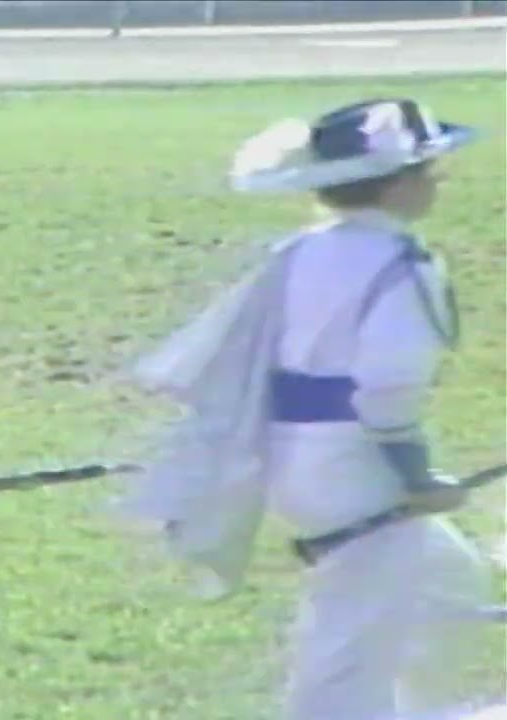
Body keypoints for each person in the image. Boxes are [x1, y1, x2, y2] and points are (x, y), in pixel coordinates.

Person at [117, 98, 494, 720]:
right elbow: (388, 388)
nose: (435, 182)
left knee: (449, 581)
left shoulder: (301, 250)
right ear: (399, 184)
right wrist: (418, 477)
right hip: (358, 466)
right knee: (348, 640)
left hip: (298, 455)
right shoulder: (403, 265)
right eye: (427, 170)